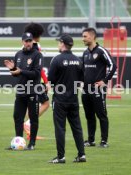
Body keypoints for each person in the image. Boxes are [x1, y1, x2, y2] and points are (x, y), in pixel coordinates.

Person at [48, 34, 86, 164]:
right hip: (74, 100)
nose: (58, 45)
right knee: (77, 128)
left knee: (60, 128)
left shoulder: (57, 60)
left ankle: (61, 157)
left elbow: (51, 81)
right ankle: (81, 155)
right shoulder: (78, 60)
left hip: (60, 100)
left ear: (63, 44)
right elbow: (82, 81)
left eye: (59, 43)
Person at [4, 32, 42, 150]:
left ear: (32, 42)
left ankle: (32, 144)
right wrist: (13, 70)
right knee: (17, 117)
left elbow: (36, 73)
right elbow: (16, 74)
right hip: (20, 91)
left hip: (32, 91)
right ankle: (19, 141)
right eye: (26, 41)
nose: (28, 43)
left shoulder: (37, 55)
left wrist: (20, 71)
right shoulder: (18, 54)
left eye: (30, 41)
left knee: (33, 117)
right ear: (22, 42)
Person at [81, 27, 117, 148]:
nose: (83, 39)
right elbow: (82, 70)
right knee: (89, 116)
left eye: (85, 36)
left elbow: (113, 66)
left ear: (92, 36)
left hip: (98, 90)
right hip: (86, 90)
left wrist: (104, 81)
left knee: (101, 115)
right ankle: (91, 140)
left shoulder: (101, 51)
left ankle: (104, 141)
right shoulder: (85, 53)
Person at [23, 22, 50, 140]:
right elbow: (40, 69)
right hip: (35, 81)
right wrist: (46, 81)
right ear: (37, 34)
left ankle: (27, 130)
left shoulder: (25, 45)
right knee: (46, 103)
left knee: (29, 106)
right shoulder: (35, 46)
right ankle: (28, 124)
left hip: (25, 80)